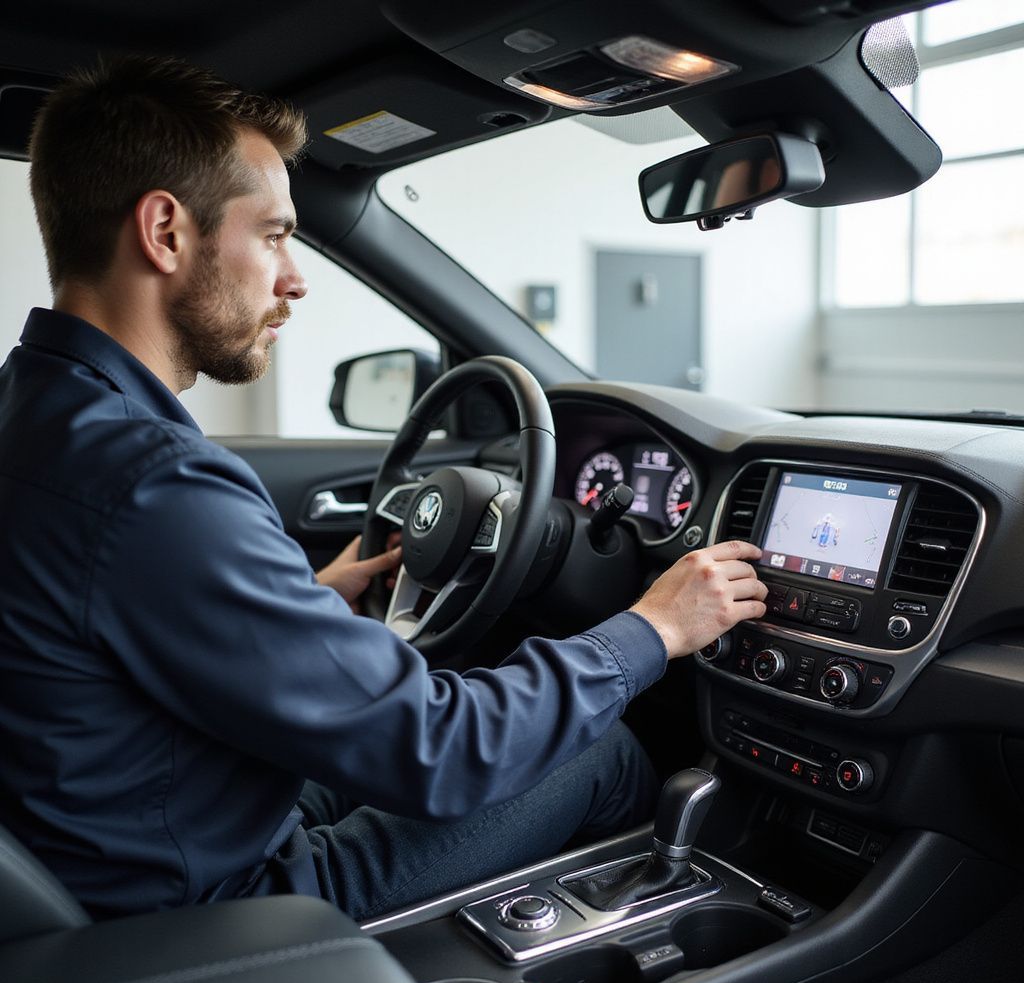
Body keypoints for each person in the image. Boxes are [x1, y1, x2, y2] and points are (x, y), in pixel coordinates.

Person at [0, 55, 768, 922]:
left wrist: (299, 604)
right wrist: (654, 628)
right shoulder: (155, 482)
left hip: (141, 830)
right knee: (602, 752)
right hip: (209, 904)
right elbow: (441, 750)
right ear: (166, 231)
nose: (294, 277)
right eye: (274, 234)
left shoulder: (35, 413)